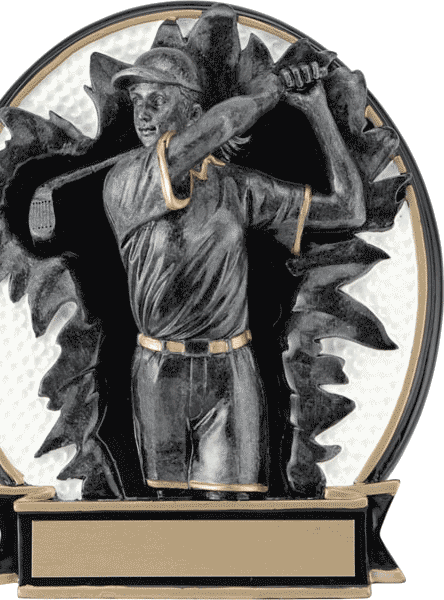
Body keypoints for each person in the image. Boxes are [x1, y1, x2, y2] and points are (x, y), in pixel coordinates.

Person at [103, 47, 364, 499]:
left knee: (232, 514)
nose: (142, 114)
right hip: (159, 374)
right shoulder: (128, 179)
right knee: (166, 517)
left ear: (193, 111)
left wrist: (317, 110)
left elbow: (348, 209)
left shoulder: (236, 187)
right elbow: (221, 126)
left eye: (157, 100)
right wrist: (271, 90)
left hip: (230, 372)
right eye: (136, 102)